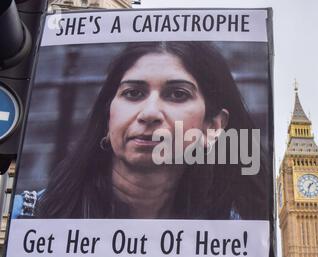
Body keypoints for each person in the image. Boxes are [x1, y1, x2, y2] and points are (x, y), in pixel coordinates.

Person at [13, 42, 271, 220]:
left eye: (177, 94)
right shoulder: (25, 217)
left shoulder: (232, 234)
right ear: (107, 118)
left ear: (213, 127)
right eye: (133, 93)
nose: (149, 113)